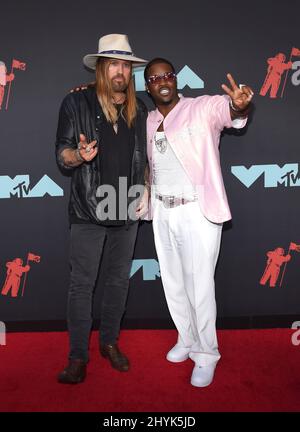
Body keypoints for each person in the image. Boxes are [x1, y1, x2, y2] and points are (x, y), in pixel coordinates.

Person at [144, 58, 253, 387]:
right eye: (153, 78)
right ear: (147, 86)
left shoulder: (202, 107)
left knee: (200, 285)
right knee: (173, 282)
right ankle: (187, 338)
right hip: (162, 211)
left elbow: (229, 111)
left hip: (197, 210)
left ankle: (206, 353)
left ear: (175, 80)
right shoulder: (147, 120)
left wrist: (237, 104)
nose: (162, 81)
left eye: (167, 75)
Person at [55, 34, 148, 384]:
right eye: (113, 64)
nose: (120, 71)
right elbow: (62, 154)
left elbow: (147, 156)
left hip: (126, 203)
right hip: (89, 207)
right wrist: (79, 155)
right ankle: (78, 356)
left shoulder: (140, 108)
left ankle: (110, 343)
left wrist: (147, 189)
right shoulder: (75, 103)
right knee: (82, 285)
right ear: (100, 68)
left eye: (126, 65)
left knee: (117, 282)